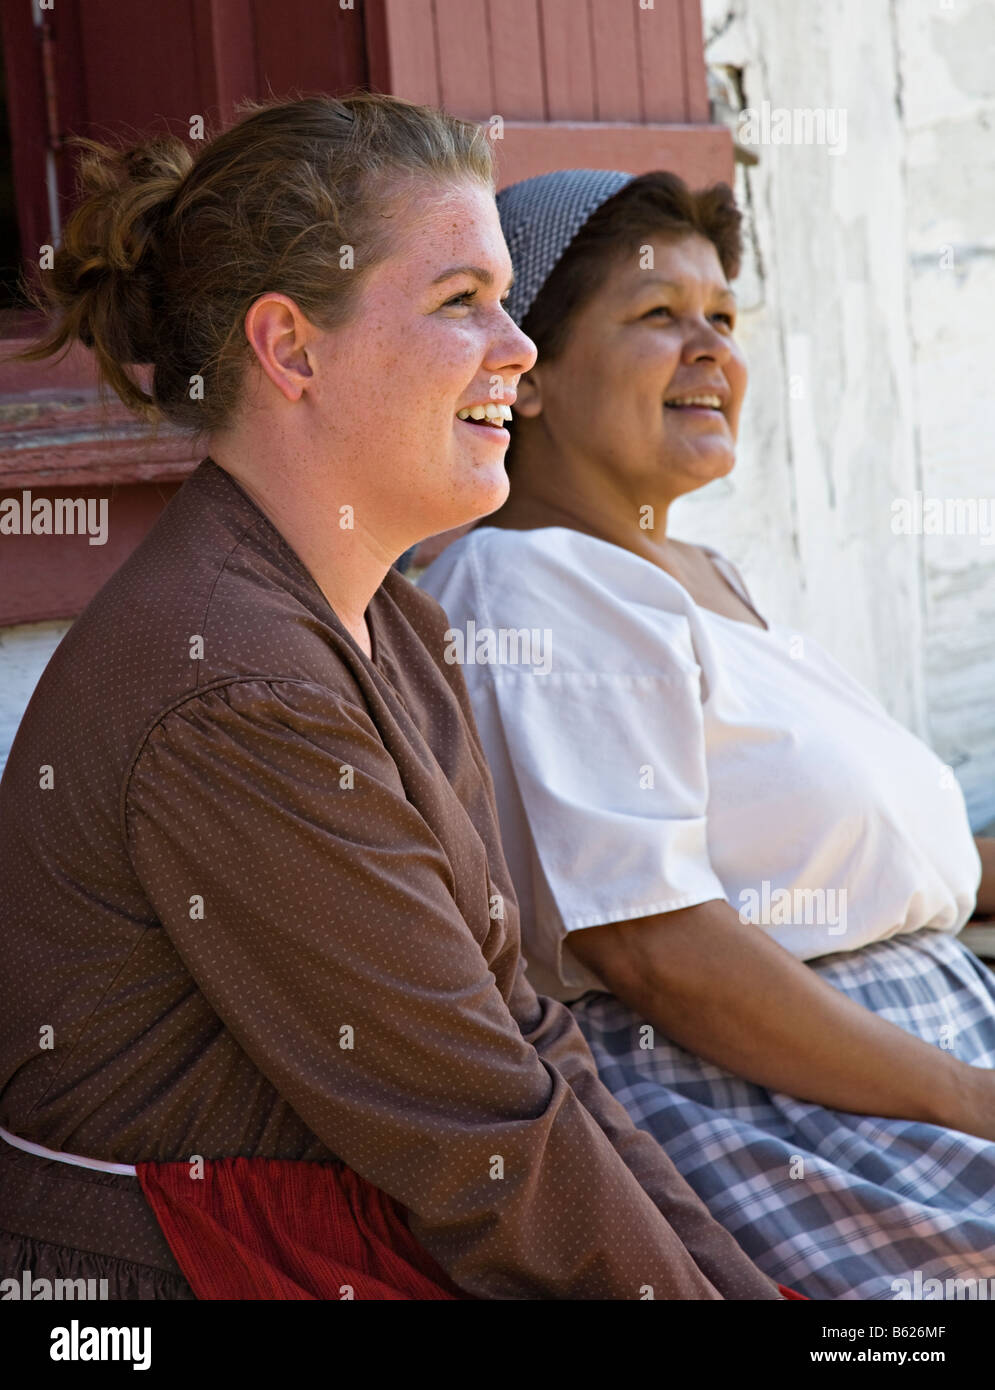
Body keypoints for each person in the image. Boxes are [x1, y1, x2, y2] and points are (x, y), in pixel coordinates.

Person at [0, 98, 788, 1302]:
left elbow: (534, 1054)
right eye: (458, 299)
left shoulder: (387, 617)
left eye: (505, 297)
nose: (515, 346)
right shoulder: (237, 688)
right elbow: (483, 1136)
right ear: (292, 348)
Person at [418, 167, 995, 1301]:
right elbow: (654, 946)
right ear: (523, 378)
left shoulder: (696, 577)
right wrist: (964, 1098)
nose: (710, 351)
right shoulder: (533, 586)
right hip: (783, 1101)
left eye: (722, 320)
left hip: (907, 1060)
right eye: (655, 316)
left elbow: (838, 856)